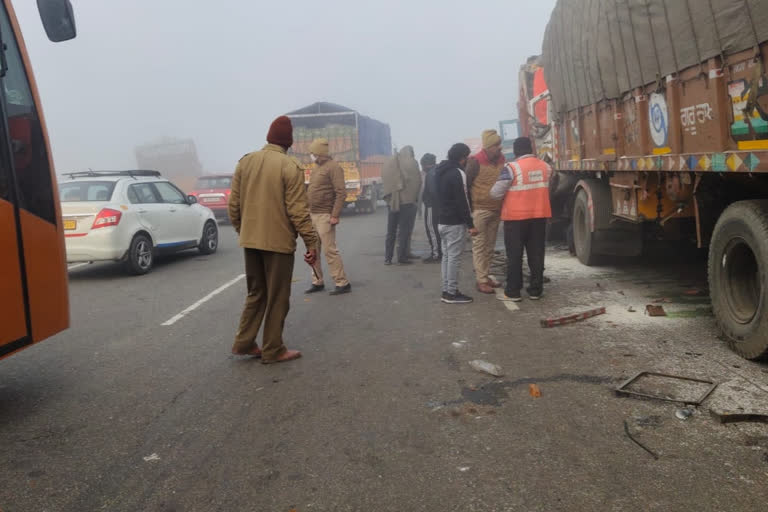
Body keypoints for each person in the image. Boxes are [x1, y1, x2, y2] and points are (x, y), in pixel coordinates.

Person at [228, 115, 318, 364]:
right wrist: (312, 243)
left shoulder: (245, 162)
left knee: (256, 293)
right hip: (278, 245)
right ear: (289, 142)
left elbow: (233, 206)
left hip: (250, 241)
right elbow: (297, 211)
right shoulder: (289, 166)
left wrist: (243, 231)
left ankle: (244, 343)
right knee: (278, 296)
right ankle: (273, 349)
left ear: (269, 137)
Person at [490, 136, 553, 302]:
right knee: (537, 255)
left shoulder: (511, 168)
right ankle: (536, 290)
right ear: (531, 148)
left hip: (515, 219)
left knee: (515, 255)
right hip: (539, 217)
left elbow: (495, 193)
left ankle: (513, 292)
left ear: (516, 151)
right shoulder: (546, 167)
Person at [305, 138, 351, 295]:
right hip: (312, 214)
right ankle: (317, 281)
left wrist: (335, 215)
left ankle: (342, 283)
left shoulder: (334, 168)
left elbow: (341, 192)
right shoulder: (317, 167)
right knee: (313, 250)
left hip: (325, 215)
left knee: (329, 251)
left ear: (319, 153)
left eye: (312, 152)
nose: (311, 155)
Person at [435, 143, 478, 304]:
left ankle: (447, 290)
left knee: (447, 257)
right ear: (463, 158)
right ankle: (451, 293)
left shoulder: (439, 171)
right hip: (454, 223)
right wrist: (470, 224)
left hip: (442, 221)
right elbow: (463, 201)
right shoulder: (457, 173)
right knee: (453, 258)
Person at [466, 129, 505, 294]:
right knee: (480, 245)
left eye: (499, 144)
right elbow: (466, 186)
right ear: (488, 147)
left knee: (489, 246)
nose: (499, 148)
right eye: (496, 145)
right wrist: (469, 211)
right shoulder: (475, 161)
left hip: (496, 209)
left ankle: (486, 275)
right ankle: (481, 280)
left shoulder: (502, 159)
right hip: (480, 210)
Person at [382, 146, 421, 265]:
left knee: (391, 231)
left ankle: (388, 258)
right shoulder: (412, 163)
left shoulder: (388, 162)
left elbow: (385, 179)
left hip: (392, 202)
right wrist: (414, 197)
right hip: (407, 203)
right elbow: (418, 181)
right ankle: (402, 257)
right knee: (404, 230)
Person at [420, 153, 441, 263]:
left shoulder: (430, 174)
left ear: (425, 165)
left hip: (431, 206)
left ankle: (436, 254)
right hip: (436, 206)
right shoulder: (437, 170)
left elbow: (433, 192)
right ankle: (439, 252)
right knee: (436, 230)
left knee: (432, 230)